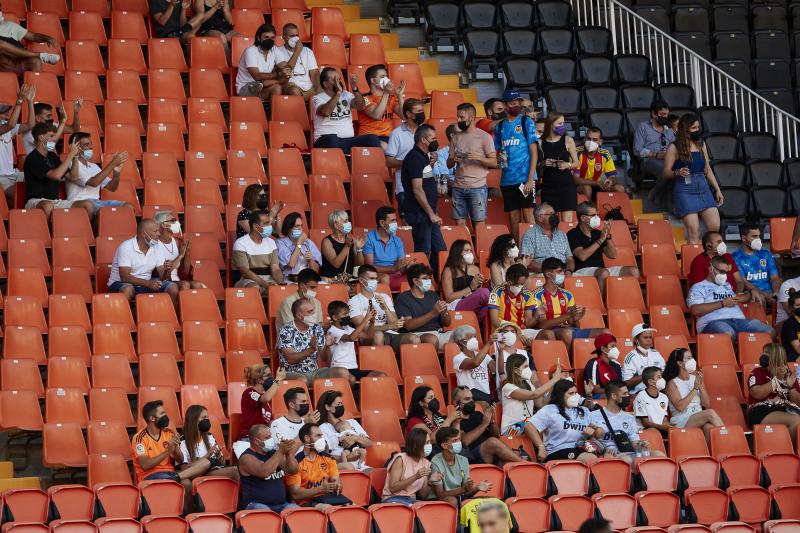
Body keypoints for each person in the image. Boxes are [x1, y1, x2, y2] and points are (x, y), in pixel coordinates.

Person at [133, 401, 205, 511]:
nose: (166, 416)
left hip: (170, 472)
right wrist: (168, 451)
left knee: (187, 483)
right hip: (149, 476)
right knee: (169, 480)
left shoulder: (169, 433)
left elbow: (180, 460)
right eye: (162, 414)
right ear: (152, 418)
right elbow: (145, 465)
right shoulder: (139, 438)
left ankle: (187, 515)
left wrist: (175, 448)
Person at [663, 113, 723, 244]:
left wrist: (717, 189)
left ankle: (708, 258)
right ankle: (693, 261)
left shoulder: (701, 144)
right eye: (694, 128)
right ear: (686, 129)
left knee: (714, 227)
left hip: (703, 186)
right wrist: (677, 172)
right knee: (693, 230)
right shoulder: (674, 147)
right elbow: (666, 172)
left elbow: (708, 170)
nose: (697, 130)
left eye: (698, 127)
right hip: (685, 189)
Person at [687, 255, 774, 339]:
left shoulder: (727, 285)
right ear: (710, 269)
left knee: (770, 332)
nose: (724, 275)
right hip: (713, 322)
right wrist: (722, 303)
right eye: (721, 272)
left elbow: (739, 298)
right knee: (728, 334)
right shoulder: (698, 287)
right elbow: (695, 310)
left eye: (726, 272)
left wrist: (750, 293)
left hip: (738, 321)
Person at [533, 257, 611, 346]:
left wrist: (575, 319)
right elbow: (542, 325)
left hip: (569, 330)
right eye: (559, 272)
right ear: (548, 274)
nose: (563, 274)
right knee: (567, 333)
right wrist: (568, 315)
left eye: (563, 271)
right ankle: (570, 359)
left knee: (606, 332)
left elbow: (575, 325)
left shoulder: (567, 294)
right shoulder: (537, 295)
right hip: (552, 331)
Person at [401, 124, 447, 275]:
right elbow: (417, 189)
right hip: (420, 214)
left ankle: (438, 283)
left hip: (428, 214)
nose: (436, 141)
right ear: (423, 140)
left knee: (439, 251)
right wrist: (430, 213)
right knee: (424, 252)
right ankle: (419, 284)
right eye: (433, 138)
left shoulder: (423, 157)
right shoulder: (414, 158)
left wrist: (431, 164)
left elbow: (425, 181)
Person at [568, 201, 640, 294]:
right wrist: (601, 240)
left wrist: (608, 236)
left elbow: (613, 255)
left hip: (602, 270)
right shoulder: (572, 234)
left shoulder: (598, 233)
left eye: (597, 215)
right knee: (603, 273)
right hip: (582, 271)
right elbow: (582, 256)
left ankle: (628, 303)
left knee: (634, 271)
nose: (597, 218)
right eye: (593, 215)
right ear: (583, 218)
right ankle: (603, 306)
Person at [23, 123, 94, 217]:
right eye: (51, 136)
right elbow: (55, 175)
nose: (54, 139)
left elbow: (73, 176)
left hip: (55, 201)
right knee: (48, 206)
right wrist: (70, 155)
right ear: (41, 138)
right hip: (36, 201)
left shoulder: (52, 156)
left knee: (87, 205)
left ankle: (82, 231)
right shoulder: (33, 158)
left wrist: (75, 157)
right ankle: (46, 232)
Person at [494, 90, 538, 239]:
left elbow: (534, 152)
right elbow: (499, 154)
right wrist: (500, 159)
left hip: (525, 178)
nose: (517, 106)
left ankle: (534, 248)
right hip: (507, 180)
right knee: (513, 218)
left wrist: (530, 179)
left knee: (528, 214)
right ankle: (516, 250)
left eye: (518, 103)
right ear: (505, 106)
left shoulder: (526, 122)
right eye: (513, 103)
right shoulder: (499, 127)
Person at [529, 379, 604, 463]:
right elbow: (528, 426)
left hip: (581, 448)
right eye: (571, 393)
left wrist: (596, 431)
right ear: (560, 395)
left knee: (604, 458)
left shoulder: (584, 411)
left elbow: (599, 433)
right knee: (591, 459)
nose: (575, 396)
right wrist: (541, 447)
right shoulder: (550, 409)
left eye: (575, 393)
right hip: (557, 450)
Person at [448, 102, 497, 231]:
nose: (458, 120)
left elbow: (494, 162)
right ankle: (462, 251)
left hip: (477, 187)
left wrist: (478, 157)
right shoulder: (455, 137)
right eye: (458, 117)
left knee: (479, 224)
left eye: (461, 117)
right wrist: (453, 159)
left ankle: (481, 250)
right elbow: (449, 163)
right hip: (458, 186)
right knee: (459, 225)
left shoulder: (484, 137)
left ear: (471, 118)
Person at [108, 219, 179, 306]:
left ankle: (172, 318)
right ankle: (122, 318)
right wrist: (148, 283)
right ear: (143, 234)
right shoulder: (126, 247)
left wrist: (167, 269)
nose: (159, 234)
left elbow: (163, 277)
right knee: (128, 289)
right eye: (155, 231)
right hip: (121, 284)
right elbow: (125, 277)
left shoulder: (157, 246)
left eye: (158, 231)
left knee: (173, 288)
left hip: (146, 283)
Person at [277, 299, 348, 385]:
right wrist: (311, 349)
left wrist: (327, 347)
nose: (314, 314)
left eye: (313, 311)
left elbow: (325, 358)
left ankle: (335, 398)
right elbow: (291, 359)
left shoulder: (316, 328)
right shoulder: (285, 330)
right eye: (310, 312)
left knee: (343, 372)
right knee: (302, 380)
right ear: (299, 315)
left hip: (314, 372)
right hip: (291, 372)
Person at [590, 380, 663, 463]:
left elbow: (634, 443)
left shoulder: (629, 418)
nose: (628, 396)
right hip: (608, 454)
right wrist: (604, 450)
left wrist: (641, 445)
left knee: (658, 454)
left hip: (627, 452)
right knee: (626, 459)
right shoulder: (593, 416)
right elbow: (590, 443)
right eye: (624, 394)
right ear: (613, 396)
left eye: (628, 393)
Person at [349, 264, 417, 350]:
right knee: (378, 335)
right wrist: (389, 326)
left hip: (391, 334)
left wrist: (385, 308)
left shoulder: (384, 297)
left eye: (376, 278)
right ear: (361, 280)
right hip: (369, 337)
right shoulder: (353, 301)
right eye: (372, 279)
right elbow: (365, 328)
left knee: (414, 339)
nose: (375, 281)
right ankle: (381, 363)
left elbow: (396, 325)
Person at [311, 68, 380, 152]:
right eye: (334, 80)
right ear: (325, 84)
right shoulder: (317, 98)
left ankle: (356, 162)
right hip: (325, 140)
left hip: (348, 140)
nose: (338, 82)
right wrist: (338, 94)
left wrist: (354, 88)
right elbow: (326, 112)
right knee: (332, 139)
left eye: (338, 79)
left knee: (372, 139)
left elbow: (361, 106)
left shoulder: (347, 95)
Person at [663, 348, 724, 442]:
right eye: (688, 358)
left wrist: (700, 386)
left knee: (709, 428)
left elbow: (706, 404)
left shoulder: (696, 378)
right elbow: (680, 407)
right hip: (682, 420)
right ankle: (728, 438)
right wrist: (695, 388)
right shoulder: (672, 383)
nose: (692, 360)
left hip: (698, 416)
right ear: (679, 363)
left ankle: (710, 454)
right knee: (710, 413)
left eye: (691, 357)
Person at [238, 424, 299, 512]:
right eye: (267, 437)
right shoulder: (246, 457)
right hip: (256, 505)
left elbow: (293, 470)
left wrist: (288, 453)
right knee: (266, 513)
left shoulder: (273, 453)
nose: (271, 439)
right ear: (256, 441)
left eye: (270, 436)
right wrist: (281, 451)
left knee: (296, 511)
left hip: (282, 505)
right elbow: (264, 472)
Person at [65, 133, 129, 216]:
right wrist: (112, 163)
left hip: (97, 203)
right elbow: (93, 183)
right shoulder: (71, 165)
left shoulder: (94, 166)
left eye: (91, 144)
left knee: (127, 206)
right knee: (89, 205)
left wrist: (116, 172)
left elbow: (112, 187)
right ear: (76, 147)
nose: (91, 147)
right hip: (78, 202)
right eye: (86, 145)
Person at [500, 353, 561, 440]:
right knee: (534, 425)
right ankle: (542, 449)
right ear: (516, 370)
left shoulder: (528, 384)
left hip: (528, 425)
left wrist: (553, 385)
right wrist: (554, 380)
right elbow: (534, 394)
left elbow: (541, 404)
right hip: (510, 430)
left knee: (551, 423)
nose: (528, 369)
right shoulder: (507, 387)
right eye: (525, 367)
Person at [286, 422, 344, 510]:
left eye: (321, 436)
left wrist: (337, 485)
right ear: (307, 438)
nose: (322, 439)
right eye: (318, 436)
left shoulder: (328, 458)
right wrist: (320, 489)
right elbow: (295, 494)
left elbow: (337, 481)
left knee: (352, 507)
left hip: (328, 498)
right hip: (306, 502)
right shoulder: (296, 463)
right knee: (329, 509)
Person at [395, 264, 453, 349]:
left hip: (438, 333)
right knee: (431, 339)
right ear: (415, 281)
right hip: (416, 334)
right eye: (425, 278)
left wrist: (444, 313)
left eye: (429, 278)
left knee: (466, 333)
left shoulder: (433, 295)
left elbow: (447, 323)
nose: (429, 281)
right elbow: (408, 325)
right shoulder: (402, 298)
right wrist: (432, 313)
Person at [430, 426, 491, 506]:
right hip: (446, 500)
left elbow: (466, 493)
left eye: (458, 439)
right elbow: (440, 495)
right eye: (455, 440)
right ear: (444, 445)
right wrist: (463, 489)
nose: (459, 442)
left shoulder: (464, 460)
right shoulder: (436, 462)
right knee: (452, 500)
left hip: (461, 497)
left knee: (492, 501)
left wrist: (476, 488)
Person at [325, 301, 384, 384]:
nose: (347, 316)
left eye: (348, 314)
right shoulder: (332, 331)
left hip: (354, 368)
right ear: (334, 317)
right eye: (344, 314)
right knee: (351, 379)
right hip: (339, 369)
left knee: (381, 375)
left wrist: (372, 322)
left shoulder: (348, 328)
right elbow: (351, 337)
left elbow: (369, 336)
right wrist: (365, 319)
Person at [746, 343, 800, 432]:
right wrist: (777, 379)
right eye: (763, 352)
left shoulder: (788, 375)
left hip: (786, 409)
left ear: (775, 356)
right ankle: (785, 446)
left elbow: (797, 403)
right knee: (797, 420)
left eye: (766, 353)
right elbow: (757, 394)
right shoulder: (757, 372)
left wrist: (791, 387)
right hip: (762, 410)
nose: (762, 355)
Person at [488, 264, 550, 340]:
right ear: (508, 280)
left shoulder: (528, 295)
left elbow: (528, 324)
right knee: (509, 338)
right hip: (500, 333)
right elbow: (494, 320)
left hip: (522, 331)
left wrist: (536, 315)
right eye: (517, 284)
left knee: (547, 334)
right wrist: (515, 333)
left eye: (522, 284)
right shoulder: (496, 291)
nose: (520, 287)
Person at [179, 404, 239, 480]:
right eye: (204, 417)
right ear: (194, 420)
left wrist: (219, 456)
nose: (207, 420)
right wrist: (207, 455)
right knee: (235, 470)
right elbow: (184, 469)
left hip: (212, 470)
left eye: (207, 417)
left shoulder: (209, 436)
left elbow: (223, 463)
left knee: (238, 470)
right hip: (197, 474)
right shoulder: (183, 441)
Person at [386, 98, 426, 210]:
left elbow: (433, 155)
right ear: (408, 114)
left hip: (425, 185)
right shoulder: (396, 134)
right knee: (408, 222)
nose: (422, 114)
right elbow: (389, 162)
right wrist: (410, 163)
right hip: (405, 186)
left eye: (422, 111)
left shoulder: (426, 132)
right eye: (418, 112)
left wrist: (434, 158)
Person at [634, 101, 675, 208]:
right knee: (667, 172)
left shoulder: (669, 131)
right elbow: (638, 150)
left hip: (667, 159)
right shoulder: (643, 127)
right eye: (662, 114)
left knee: (678, 170)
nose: (665, 117)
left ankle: (660, 199)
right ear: (654, 114)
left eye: (667, 115)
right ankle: (654, 195)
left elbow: (675, 147)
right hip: (648, 159)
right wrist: (657, 155)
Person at [318, 390, 372, 471]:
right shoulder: (322, 428)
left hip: (360, 466)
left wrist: (355, 438)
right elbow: (324, 456)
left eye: (341, 404)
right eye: (338, 404)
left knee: (374, 474)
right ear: (327, 407)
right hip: (339, 467)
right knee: (349, 468)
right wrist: (348, 458)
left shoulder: (352, 422)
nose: (341, 406)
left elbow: (369, 443)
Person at [382, 428, 438, 505]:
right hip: (392, 498)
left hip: (411, 500)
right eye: (426, 443)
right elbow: (393, 488)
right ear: (415, 445)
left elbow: (423, 495)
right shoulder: (401, 458)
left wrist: (430, 482)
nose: (429, 446)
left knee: (428, 510)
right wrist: (415, 476)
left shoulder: (426, 463)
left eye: (429, 443)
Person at [233, 210, 284, 293]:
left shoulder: (271, 242)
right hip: (247, 280)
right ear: (256, 227)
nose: (270, 226)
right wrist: (266, 285)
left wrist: (280, 281)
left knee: (278, 290)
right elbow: (245, 272)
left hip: (268, 278)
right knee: (254, 287)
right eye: (266, 223)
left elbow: (275, 269)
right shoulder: (240, 243)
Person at [363, 206, 413, 290]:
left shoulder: (397, 240)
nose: (396, 223)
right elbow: (369, 267)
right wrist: (392, 269)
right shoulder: (369, 239)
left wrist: (409, 266)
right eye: (392, 220)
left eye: (395, 220)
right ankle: (387, 302)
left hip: (396, 273)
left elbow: (401, 263)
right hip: (377, 274)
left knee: (417, 274)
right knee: (385, 278)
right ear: (382, 223)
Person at [539, 113, 579, 218]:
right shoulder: (540, 142)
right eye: (559, 123)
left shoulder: (568, 140)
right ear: (551, 124)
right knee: (550, 221)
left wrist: (567, 165)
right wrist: (543, 163)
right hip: (548, 185)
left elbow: (576, 163)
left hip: (566, 185)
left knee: (567, 221)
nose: (562, 126)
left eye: (563, 123)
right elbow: (535, 164)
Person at [732, 222, 781, 307]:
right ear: (744, 238)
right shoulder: (735, 257)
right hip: (751, 292)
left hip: (770, 292)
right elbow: (745, 283)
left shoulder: (765, 253)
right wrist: (766, 295)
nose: (758, 239)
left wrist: (776, 291)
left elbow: (774, 277)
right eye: (754, 236)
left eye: (759, 236)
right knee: (759, 298)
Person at [153, 211, 204, 291]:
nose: (176, 223)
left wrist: (187, 254)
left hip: (179, 278)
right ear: (163, 225)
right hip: (163, 279)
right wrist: (180, 256)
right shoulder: (154, 244)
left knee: (197, 285)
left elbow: (186, 272)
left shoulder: (179, 242)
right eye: (172, 221)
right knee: (185, 285)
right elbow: (163, 274)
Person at [441, 240, 490, 322]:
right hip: (457, 304)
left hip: (474, 304)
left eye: (470, 250)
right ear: (458, 252)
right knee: (485, 292)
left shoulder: (475, 269)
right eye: (466, 250)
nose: (470, 253)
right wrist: (471, 288)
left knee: (489, 309)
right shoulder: (449, 271)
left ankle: (474, 324)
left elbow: (478, 291)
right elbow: (449, 298)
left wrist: (478, 285)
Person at [266, 23, 320, 98]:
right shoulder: (277, 51)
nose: (295, 38)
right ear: (284, 37)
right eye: (292, 36)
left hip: (308, 85)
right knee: (294, 91)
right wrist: (297, 51)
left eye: (297, 35)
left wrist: (318, 88)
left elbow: (314, 73)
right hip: (290, 85)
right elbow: (286, 71)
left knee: (323, 91)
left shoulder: (307, 51)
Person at [0, 84, 34, 201]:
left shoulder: (8, 127)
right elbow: (11, 124)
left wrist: (29, 102)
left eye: (8, 110)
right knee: (21, 193)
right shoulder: (7, 126)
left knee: (38, 180)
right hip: (1, 177)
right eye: (4, 112)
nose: (8, 113)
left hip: (14, 174)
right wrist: (19, 101)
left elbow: (30, 125)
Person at [520, 203, 574, 274]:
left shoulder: (562, 235)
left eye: (555, 213)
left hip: (564, 273)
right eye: (551, 214)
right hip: (542, 274)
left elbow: (569, 259)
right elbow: (527, 262)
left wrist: (568, 271)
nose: (555, 216)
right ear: (540, 218)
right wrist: (550, 271)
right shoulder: (529, 235)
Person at [236, 364, 285, 444]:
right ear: (259, 380)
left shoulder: (265, 401)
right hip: (248, 439)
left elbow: (270, 421)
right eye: (268, 375)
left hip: (264, 439)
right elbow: (266, 398)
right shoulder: (249, 393)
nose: (271, 378)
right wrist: (278, 379)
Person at [573, 127, 625, 199]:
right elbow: (576, 180)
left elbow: (613, 177)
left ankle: (613, 210)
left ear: (600, 142)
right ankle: (588, 210)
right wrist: (597, 183)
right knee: (587, 188)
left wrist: (611, 181)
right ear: (584, 139)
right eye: (588, 139)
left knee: (619, 188)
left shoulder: (605, 153)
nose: (591, 142)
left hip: (597, 186)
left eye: (595, 140)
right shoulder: (577, 152)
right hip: (579, 187)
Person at [357, 64, 404, 142]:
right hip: (369, 138)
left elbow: (404, 116)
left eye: (386, 77)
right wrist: (386, 93)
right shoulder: (364, 98)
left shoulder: (391, 97)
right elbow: (376, 115)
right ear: (372, 80)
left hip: (388, 137)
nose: (386, 79)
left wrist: (399, 96)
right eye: (382, 77)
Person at [235, 23, 283, 99]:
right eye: (266, 37)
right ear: (258, 38)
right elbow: (256, 75)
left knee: (277, 87)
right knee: (273, 85)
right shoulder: (250, 51)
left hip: (264, 84)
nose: (269, 40)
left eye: (272, 38)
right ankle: (263, 84)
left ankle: (274, 109)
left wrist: (286, 71)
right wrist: (278, 75)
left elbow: (284, 65)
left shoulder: (274, 49)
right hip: (246, 87)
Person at [452, 325, 496, 404]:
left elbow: (496, 369)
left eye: (475, 337)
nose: (475, 340)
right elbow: (474, 363)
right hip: (469, 398)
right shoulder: (458, 358)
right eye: (471, 337)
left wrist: (501, 349)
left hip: (486, 396)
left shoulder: (483, 355)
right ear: (461, 342)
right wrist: (489, 343)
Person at [320, 210, 364, 280]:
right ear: (336, 225)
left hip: (348, 280)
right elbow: (336, 264)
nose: (349, 223)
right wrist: (347, 246)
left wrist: (359, 249)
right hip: (331, 281)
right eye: (345, 221)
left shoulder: (351, 239)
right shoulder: (327, 242)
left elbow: (359, 265)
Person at [276, 212, 321, 279]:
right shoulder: (280, 243)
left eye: (301, 225)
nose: (300, 228)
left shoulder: (308, 243)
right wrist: (299, 243)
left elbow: (316, 271)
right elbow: (291, 264)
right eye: (296, 226)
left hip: (308, 279)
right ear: (288, 228)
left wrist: (310, 260)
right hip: (290, 280)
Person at [622, 323, 665, 394]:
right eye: (645, 337)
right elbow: (627, 382)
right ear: (636, 340)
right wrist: (648, 375)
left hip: (658, 390)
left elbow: (664, 372)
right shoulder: (630, 357)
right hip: (639, 392)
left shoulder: (656, 353)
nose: (649, 340)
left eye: (650, 337)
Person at [633, 366, 672, 433]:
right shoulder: (641, 396)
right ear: (651, 382)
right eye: (659, 377)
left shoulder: (664, 397)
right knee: (654, 431)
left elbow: (664, 420)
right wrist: (661, 427)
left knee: (677, 432)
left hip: (660, 429)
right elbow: (645, 423)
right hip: (646, 431)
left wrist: (669, 425)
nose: (662, 379)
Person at [781, 292, 800, 361]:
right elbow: (798, 349)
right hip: (794, 358)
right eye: (798, 305)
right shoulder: (789, 325)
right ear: (792, 307)